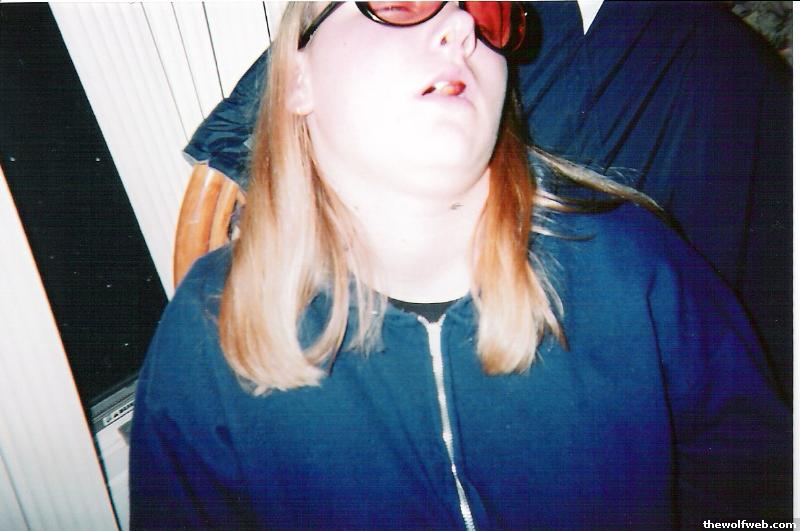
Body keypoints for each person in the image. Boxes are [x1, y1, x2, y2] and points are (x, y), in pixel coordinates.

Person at [130, 3, 790, 529]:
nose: (461, 27)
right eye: (403, 2)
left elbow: (760, 498)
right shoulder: (208, 336)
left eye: (488, 13)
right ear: (296, 78)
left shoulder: (635, 272)